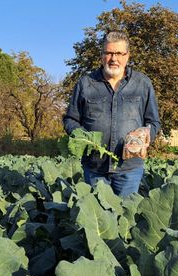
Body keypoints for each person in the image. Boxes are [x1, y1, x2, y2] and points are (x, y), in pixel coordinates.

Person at [63, 31, 161, 197]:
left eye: (119, 53)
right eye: (108, 53)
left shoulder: (142, 83)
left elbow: (153, 121)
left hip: (129, 168)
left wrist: (145, 134)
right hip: (95, 168)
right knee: (100, 217)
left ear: (127, 56)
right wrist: (85, 138)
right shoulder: (86, 83)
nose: (113, 58)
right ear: (102, 55)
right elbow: (70, 119)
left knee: (125, 216)